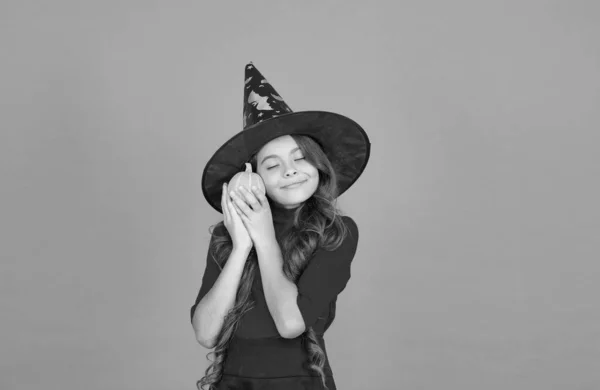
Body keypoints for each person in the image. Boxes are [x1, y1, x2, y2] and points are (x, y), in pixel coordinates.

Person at [190, 63, 371, 390]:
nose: (290, 171)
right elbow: (205, 334)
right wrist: (242, 245)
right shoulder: (226, 235)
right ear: (253, 176)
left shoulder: (337, 232)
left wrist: (264, 239)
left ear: (319, 165)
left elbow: (291, 324)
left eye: (300, 157)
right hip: (232, 383)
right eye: (272, 164)